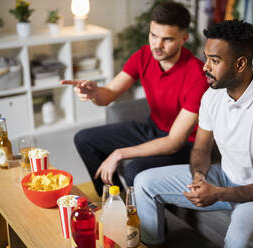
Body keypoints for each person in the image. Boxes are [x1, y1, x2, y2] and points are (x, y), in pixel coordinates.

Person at [134, 19, 253, 248]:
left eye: (214, 60)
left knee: (238, 241)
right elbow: (202, 147)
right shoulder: (212, 95)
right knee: (143, 182)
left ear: (240, 64)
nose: (205, 67)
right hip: (224, 177)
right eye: (206, 58)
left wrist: (220, 194)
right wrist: (199, 177)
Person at [61, 1, 208, 196]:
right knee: (84, 139)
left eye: (167, 39)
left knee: (134, 170)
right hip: (153, 129)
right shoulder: (144, 56)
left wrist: (120, 153)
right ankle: (116, 203)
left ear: (184, 39)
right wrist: (94, 93)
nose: (157, 45)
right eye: (153, 35)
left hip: (185, 146)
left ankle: (146, 225)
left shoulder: (197, 76)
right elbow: (109, 94)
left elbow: (174, 142)